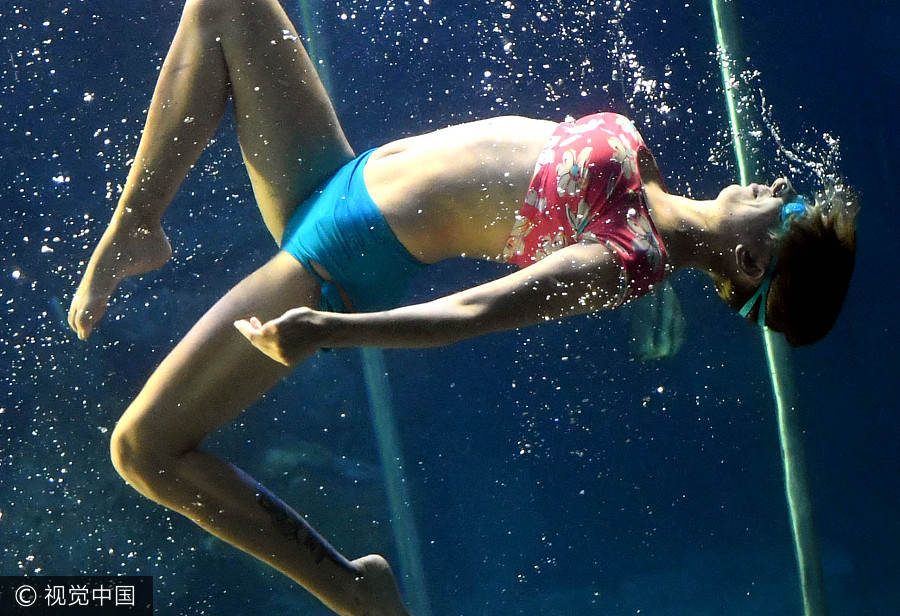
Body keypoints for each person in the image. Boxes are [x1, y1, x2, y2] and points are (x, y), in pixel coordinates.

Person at [66, 0, 858, 614]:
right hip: (337, 178)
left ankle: (347, 588)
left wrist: (329, 331)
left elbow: (474, 313)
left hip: (337, 262)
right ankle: (138, 228)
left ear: (751, 261)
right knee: (228, 6)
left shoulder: (630, 259)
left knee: (140, 451)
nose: (780, 190)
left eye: (786, 217)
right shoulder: (644, 169)